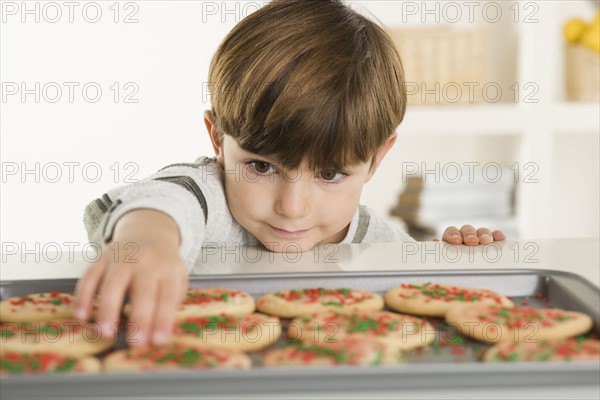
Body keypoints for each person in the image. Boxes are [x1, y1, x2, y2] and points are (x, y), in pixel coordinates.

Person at [75, 0, 505, 346]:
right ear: (217, 139)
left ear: (376, 159)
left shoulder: (373, 238)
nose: (292, 207)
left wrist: (449, 261)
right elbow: (163, 203)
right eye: (262, 167)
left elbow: (414, 287)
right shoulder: (206, 199)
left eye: (331, 174)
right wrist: (148, 240)